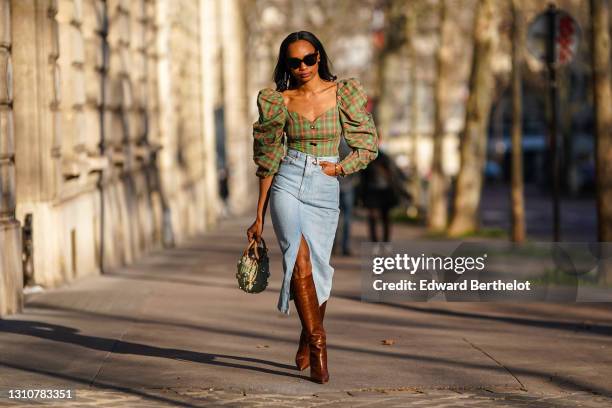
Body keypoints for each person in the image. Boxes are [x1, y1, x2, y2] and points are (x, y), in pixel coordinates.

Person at [246, 31, 378, 384]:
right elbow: (268, 160)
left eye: (308, 59)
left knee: (319, 269)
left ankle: (306, 333)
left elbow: (367, 146)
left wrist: (341, 168)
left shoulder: (343, 93)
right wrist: (258, 214)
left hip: (324, 183)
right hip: (288, 178)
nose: (302, 67)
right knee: (298, 258)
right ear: (285, 64)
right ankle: (319, 344)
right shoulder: (278, 101)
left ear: (319, 57)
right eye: (294, 62)